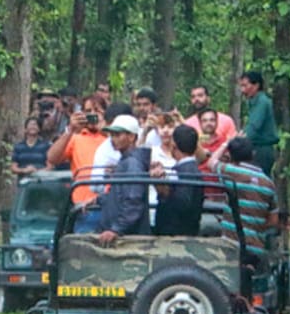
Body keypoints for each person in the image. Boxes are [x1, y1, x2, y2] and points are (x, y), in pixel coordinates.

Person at [75, 114, 151, 243]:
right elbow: (119, 195)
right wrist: (97, 199)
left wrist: (116, 230)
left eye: (118, 135)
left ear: (132, 137)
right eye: (112, 135)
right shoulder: (125, 161)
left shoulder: (132, 164)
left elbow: (133, 201)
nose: (113, 139)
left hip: (128, 240)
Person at [214, 137, 278, 258]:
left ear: (230, 155)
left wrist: (225, 144)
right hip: (256, 247)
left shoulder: (230, 172)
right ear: (253, 154)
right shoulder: (268, 183)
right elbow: (273, 221)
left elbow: (211, 162)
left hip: (230, 245)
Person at [46, 97, 109, 206]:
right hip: (83, 206)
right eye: (88, 111)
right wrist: (70, 130)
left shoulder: (113, 137)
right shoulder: (76, 138)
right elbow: (52, 158)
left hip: (108, 204)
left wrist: (107, 131)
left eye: (97, 111)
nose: (92, 115)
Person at [154, 125, 206, 236]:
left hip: (176, 236)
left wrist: (164, 190)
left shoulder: (184, 172)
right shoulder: (191, 169)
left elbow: (182, 203)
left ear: (174, 145)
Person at [239, 71, 279, 175]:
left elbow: (253, 127)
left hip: (262, 150)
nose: (242, 90)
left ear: (256, 85)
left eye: (245, 85)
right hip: (255, 148)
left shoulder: (262, 102)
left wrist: (238, 143)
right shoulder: (252, 102)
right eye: (241, 86)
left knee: (260, 182)